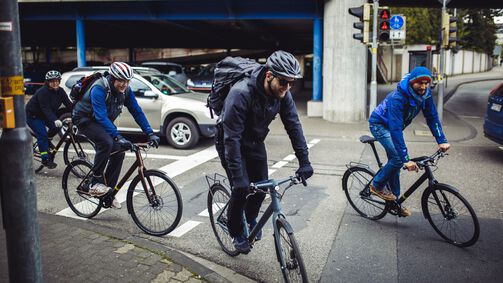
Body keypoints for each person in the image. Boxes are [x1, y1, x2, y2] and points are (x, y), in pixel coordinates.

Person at [216, 50, 314, 253]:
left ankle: (250, 217)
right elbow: (231, 139)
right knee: (242, 188)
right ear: (269, 76)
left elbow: (293, 125)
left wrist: (304, 161)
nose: (287, 88)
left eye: (291, 83)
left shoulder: (282, 95)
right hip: (230, 141)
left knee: (262, 186)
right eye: (284, 82)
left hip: (254, 141)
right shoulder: (241, 93)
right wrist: (238, 178)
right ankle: (235, 231)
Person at [72, 62, 160, 208]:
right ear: (113, 78)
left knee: (119, 151)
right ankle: (95, 183)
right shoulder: (99, 88)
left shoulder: (126, 91)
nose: (124, 84)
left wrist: (150, 133)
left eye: (127, 81)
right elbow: (100, 117)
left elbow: (136, 111)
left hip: (102, 120)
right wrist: (118, 137)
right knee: (106, 143)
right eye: (121, 81)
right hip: (84, 119)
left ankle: (109, 193)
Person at [368, 66, 450, 216]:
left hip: (394, 126)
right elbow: (395, 129)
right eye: (420, 83)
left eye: (426, 83)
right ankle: (377, 186)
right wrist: (406, 159)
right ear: (412, 82)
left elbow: (432, 117)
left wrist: (441, 139)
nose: (423, 86)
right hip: (380, 125)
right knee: (399, 159)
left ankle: (395, 203)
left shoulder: (425, 94)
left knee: (395, 163)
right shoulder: (398, 98)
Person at [26, 70, 73, 169]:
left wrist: (78, 113)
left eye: (57, 81)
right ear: (47, 82)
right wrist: (55, 119)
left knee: (56, 128)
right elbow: (45, 108)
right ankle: (45, 159)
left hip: (45, 115)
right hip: (33, 116)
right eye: (52, 81)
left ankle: (46, 141)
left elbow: (69, 104)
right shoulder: (42, 92)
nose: (55, 83)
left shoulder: (60, 91)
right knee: (42, 135)